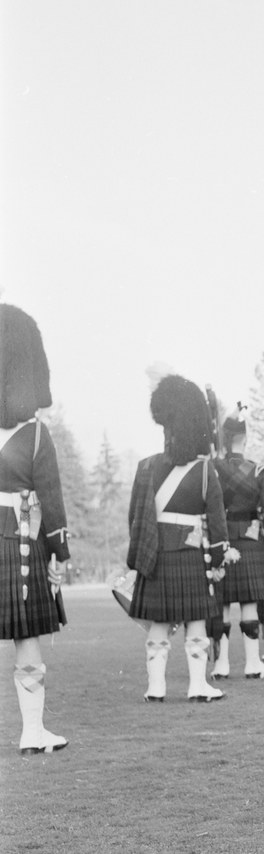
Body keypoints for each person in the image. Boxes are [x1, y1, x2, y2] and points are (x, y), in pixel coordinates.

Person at [127, 375, 229, 702]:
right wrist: (216, 561)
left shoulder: (146, 467)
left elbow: (135, 519)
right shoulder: (204, 471)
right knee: (196, 621)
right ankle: (198, 685)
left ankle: (155, 687)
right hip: (191, 555)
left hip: (156, 555)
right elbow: (218, 524)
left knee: (159, 622)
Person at [1, 304, 70, 752]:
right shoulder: (37, 435)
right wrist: (60, 555)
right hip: (19, 543)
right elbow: (52, 500)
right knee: (27, 638)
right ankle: (32, 730)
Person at [210, 409, 264, 679]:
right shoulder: (258, 471)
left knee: (222, 606)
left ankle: (221, 665)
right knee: (249, 603)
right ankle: (253, 662)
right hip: (252, 544)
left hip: (222, 541)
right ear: (244, 438)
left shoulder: (214, 469)